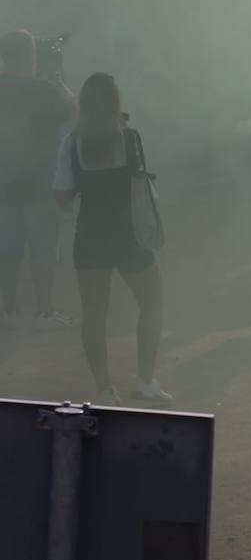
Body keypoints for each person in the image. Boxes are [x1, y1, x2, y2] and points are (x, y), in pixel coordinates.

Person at [53, 73, 169, 404]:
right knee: (151, 302)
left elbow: (61, 196)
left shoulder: (71, 142)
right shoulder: (130, 138)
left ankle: (105, 389)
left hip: (90, 234)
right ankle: (145, 380)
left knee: (94, 314)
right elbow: (141, 189)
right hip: (129, 234)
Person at [0, 28, 73, 329]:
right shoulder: (44, 90)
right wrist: (57, 77)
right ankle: (43, 311)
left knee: (8, 251)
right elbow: (73, 111)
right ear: (28, 55)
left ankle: (8, 311)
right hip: (40, 185)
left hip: (3, 186)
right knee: (42, 250)